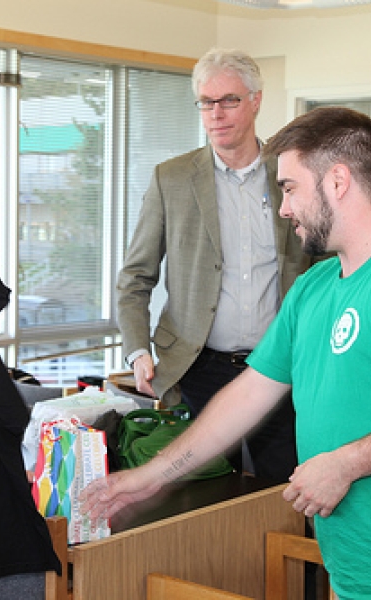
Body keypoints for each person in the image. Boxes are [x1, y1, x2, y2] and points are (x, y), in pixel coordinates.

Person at [83, 106, 371, 600]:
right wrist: (150, 477)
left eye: (290, 187)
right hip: (349, 567)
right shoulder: (313, 288)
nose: (283, 208)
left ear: (338, 181)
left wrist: (349, 462)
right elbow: (245, 399)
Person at [117, 47, 313, 481]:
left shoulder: (292, 175)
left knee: (280, 492)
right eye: (206, 102)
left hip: (279, 366)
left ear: (256, 100)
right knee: (200, 500)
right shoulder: (171, 178)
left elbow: (322, 265)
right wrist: (136, 352)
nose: (216, 114)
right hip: (195, 368)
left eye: (229, 100)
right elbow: (134, 278)